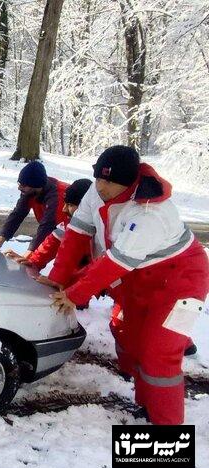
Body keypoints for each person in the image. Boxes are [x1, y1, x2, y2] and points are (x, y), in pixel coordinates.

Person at [43, 145, 209, 425]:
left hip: (180, 281)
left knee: (158, 353)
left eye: (109, 181)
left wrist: (76, 293)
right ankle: (146, 405)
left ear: (129, 182)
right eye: (98, 178)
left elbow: (115, 262)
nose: (101, 186)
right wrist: (57, 278)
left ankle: (166, 430)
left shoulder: (149, 212)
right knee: (128, 336)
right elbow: (77, 234)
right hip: (138, 276)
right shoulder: (95, 193)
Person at [0, 161, 69, 256]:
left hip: (75, 239)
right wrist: (0, 239)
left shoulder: (58, 196)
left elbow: (47, 227)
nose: (19, 188)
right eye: (19, 183)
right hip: (60, 234)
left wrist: (29, 254)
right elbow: (18, 213)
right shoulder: (30, 192)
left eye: (23, 185)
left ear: (36, 186)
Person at [4, 178, 92, 270]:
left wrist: (58, 280)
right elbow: (52, 243)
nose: (64, 209)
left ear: (86, 206)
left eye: (70, 205)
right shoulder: (71, 223)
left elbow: (99, 269)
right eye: (65, 204)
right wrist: (33, 261)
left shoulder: (103, 229)